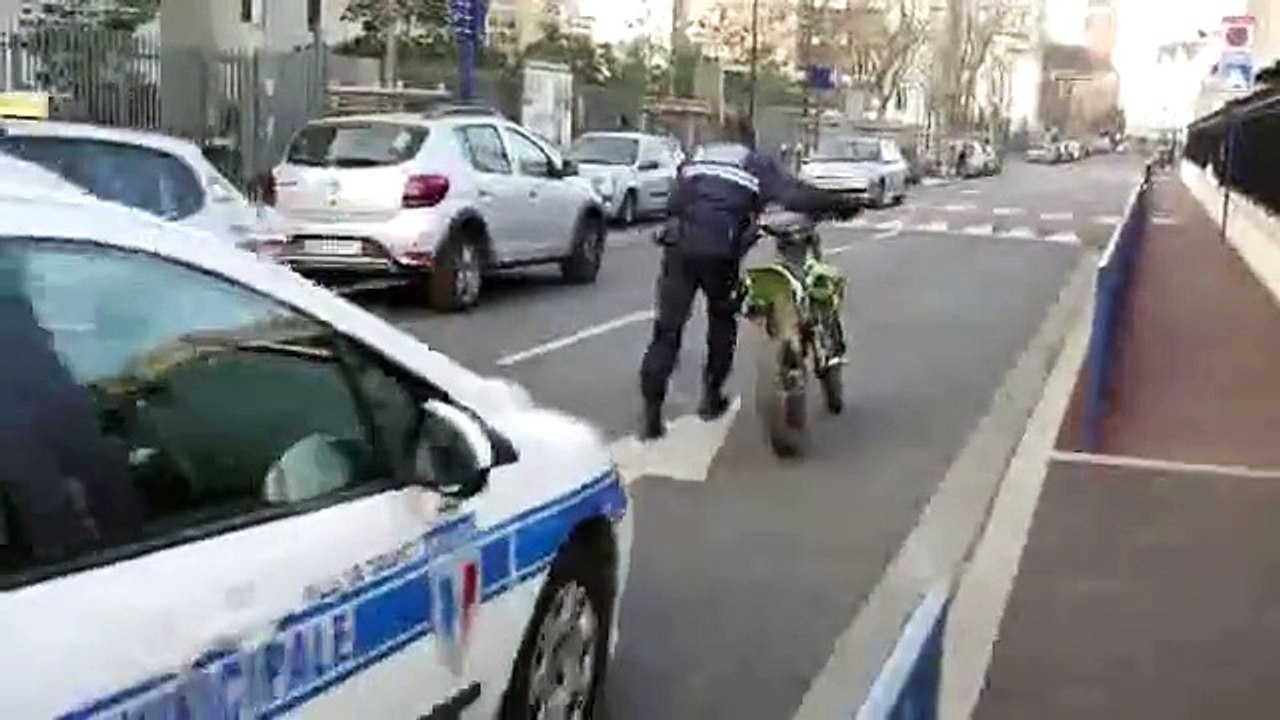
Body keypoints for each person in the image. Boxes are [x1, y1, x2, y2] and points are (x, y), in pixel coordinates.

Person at [637, 116, 862, 440]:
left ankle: (651, 415)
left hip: (679, 250)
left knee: (667, 331)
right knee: (721, 320)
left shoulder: (697, 159)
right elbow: (794, 196)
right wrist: (842, 204)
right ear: (748, 139)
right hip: (719, 252)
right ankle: (711, 398)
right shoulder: (753, 163)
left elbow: (674, 204)